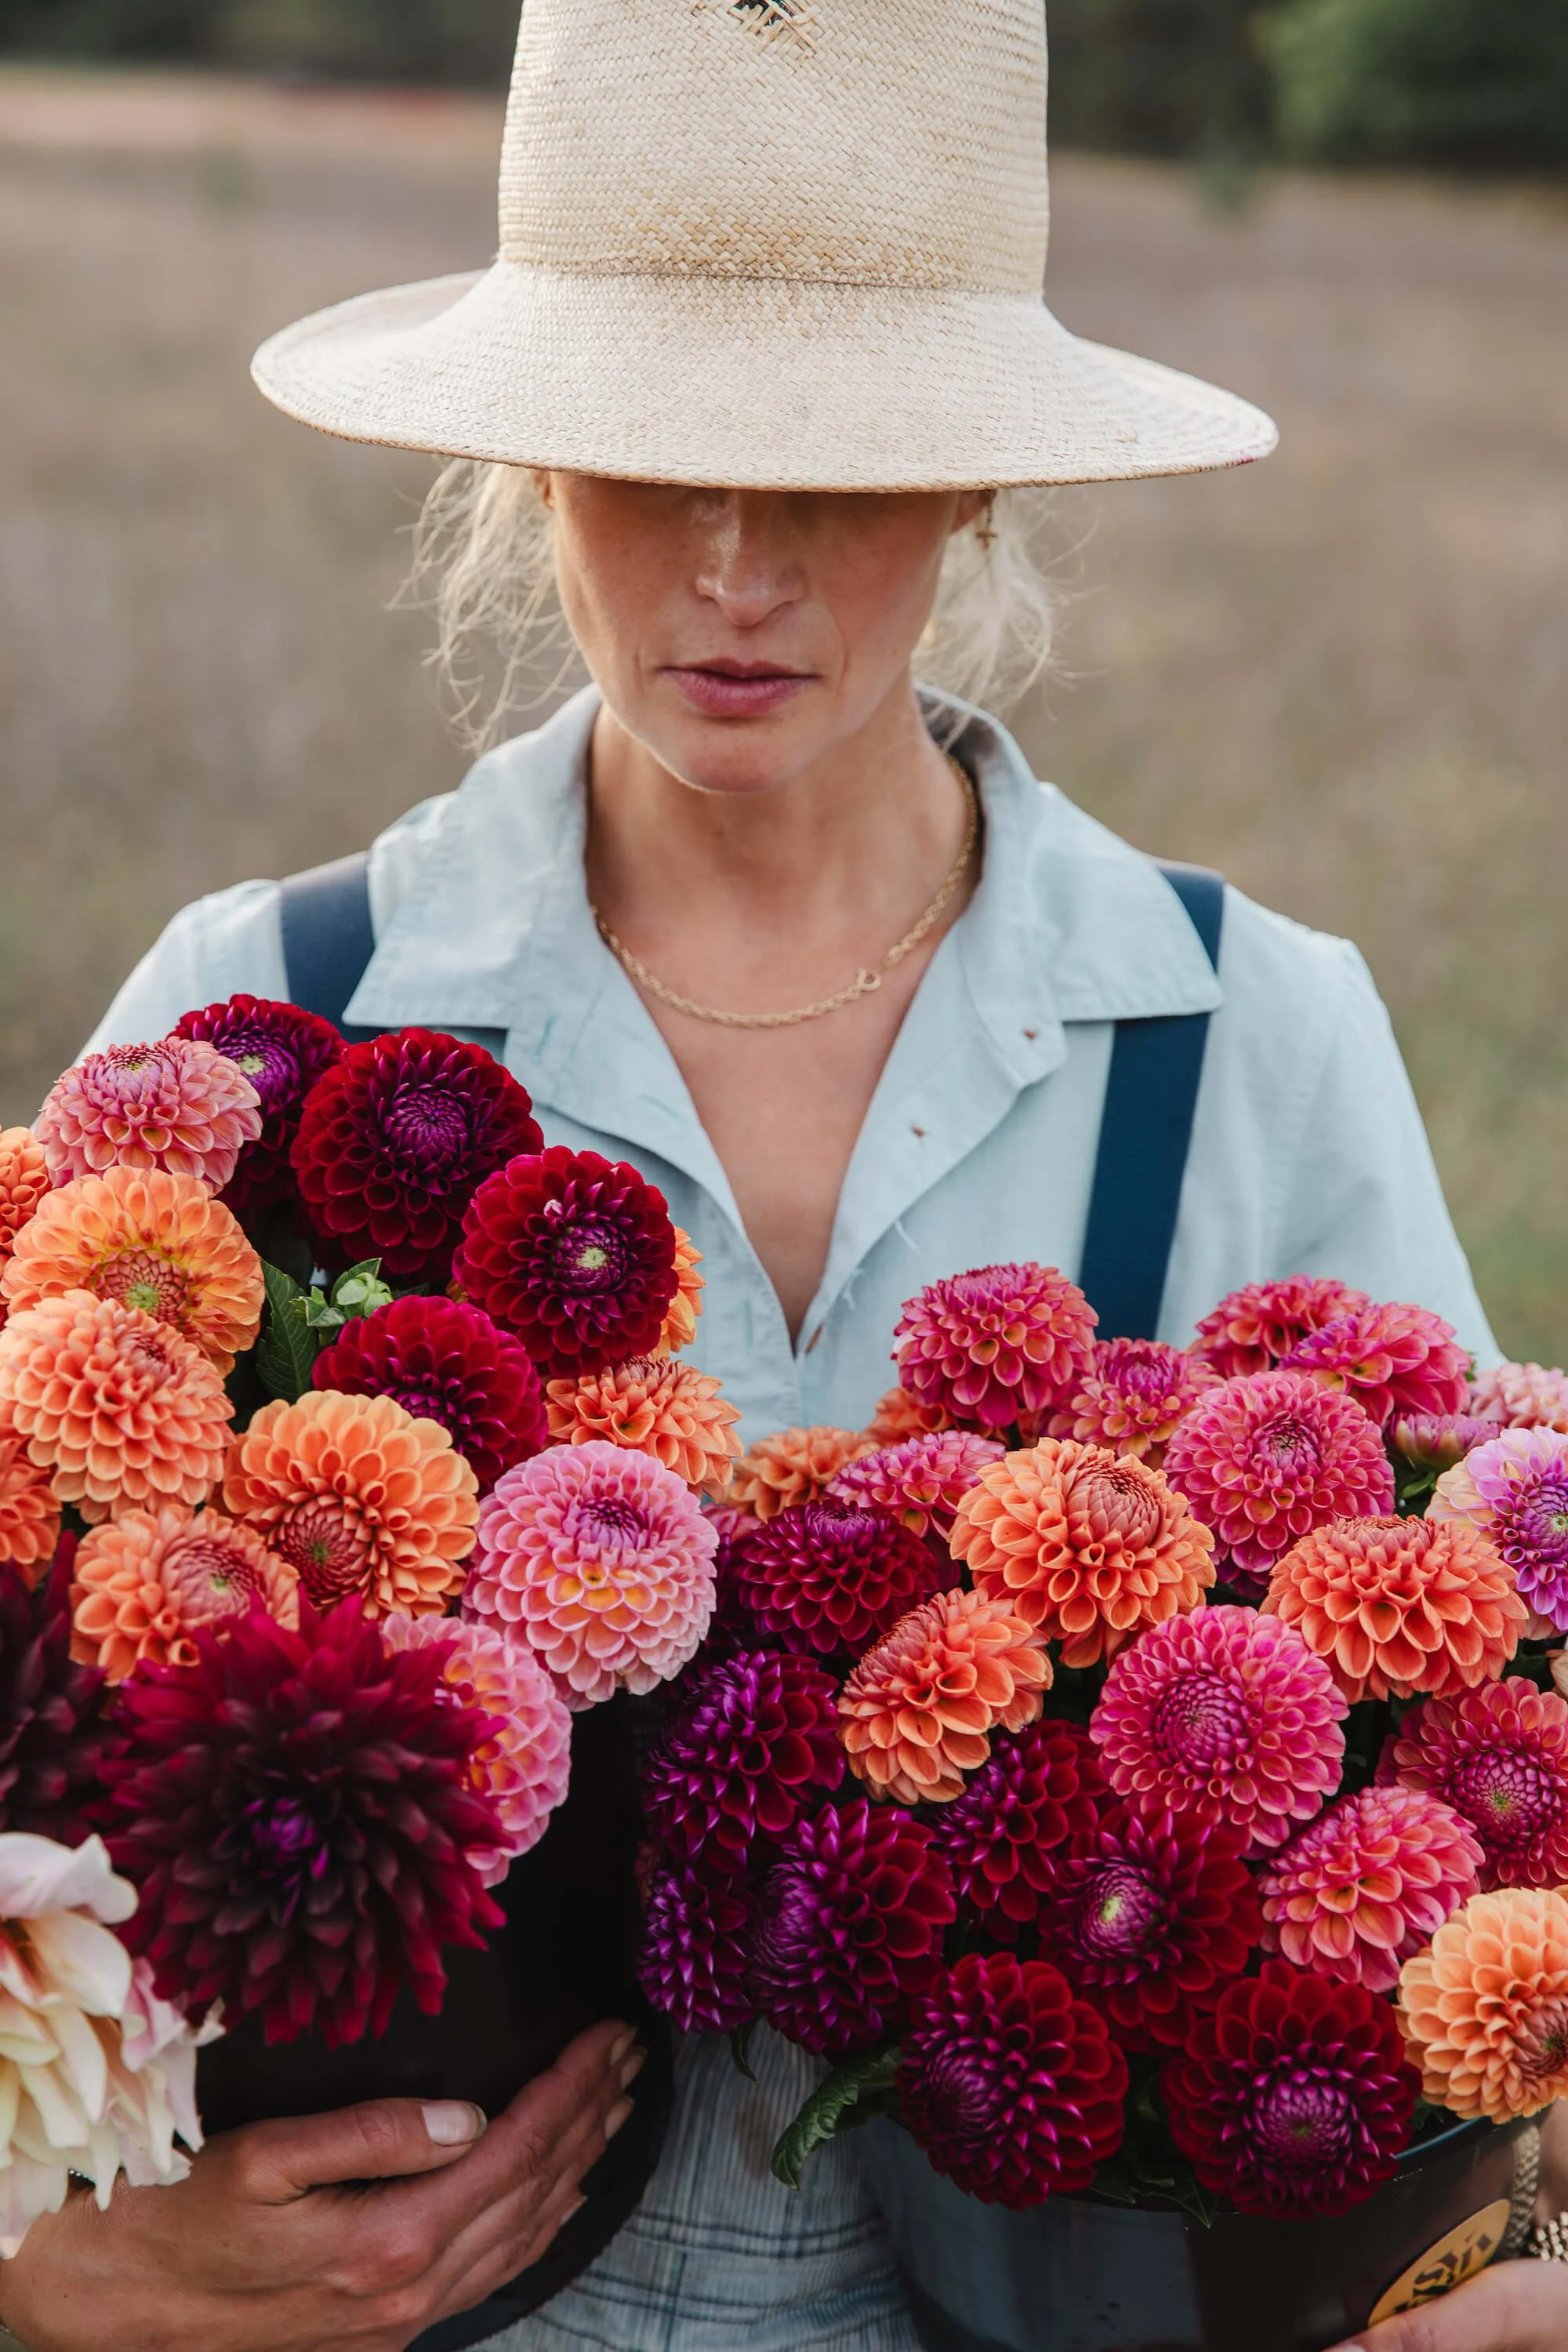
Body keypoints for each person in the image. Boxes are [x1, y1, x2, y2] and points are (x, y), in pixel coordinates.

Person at [3, 2, 1565, 2350]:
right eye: (652, 458)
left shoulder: (1245, 1044)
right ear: (527, 457)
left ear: (982, 483)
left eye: (834, 467)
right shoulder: (261, 1023)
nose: (737, 566)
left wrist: (1521, 2270)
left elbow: (1508, 1803)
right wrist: (60, 2265)